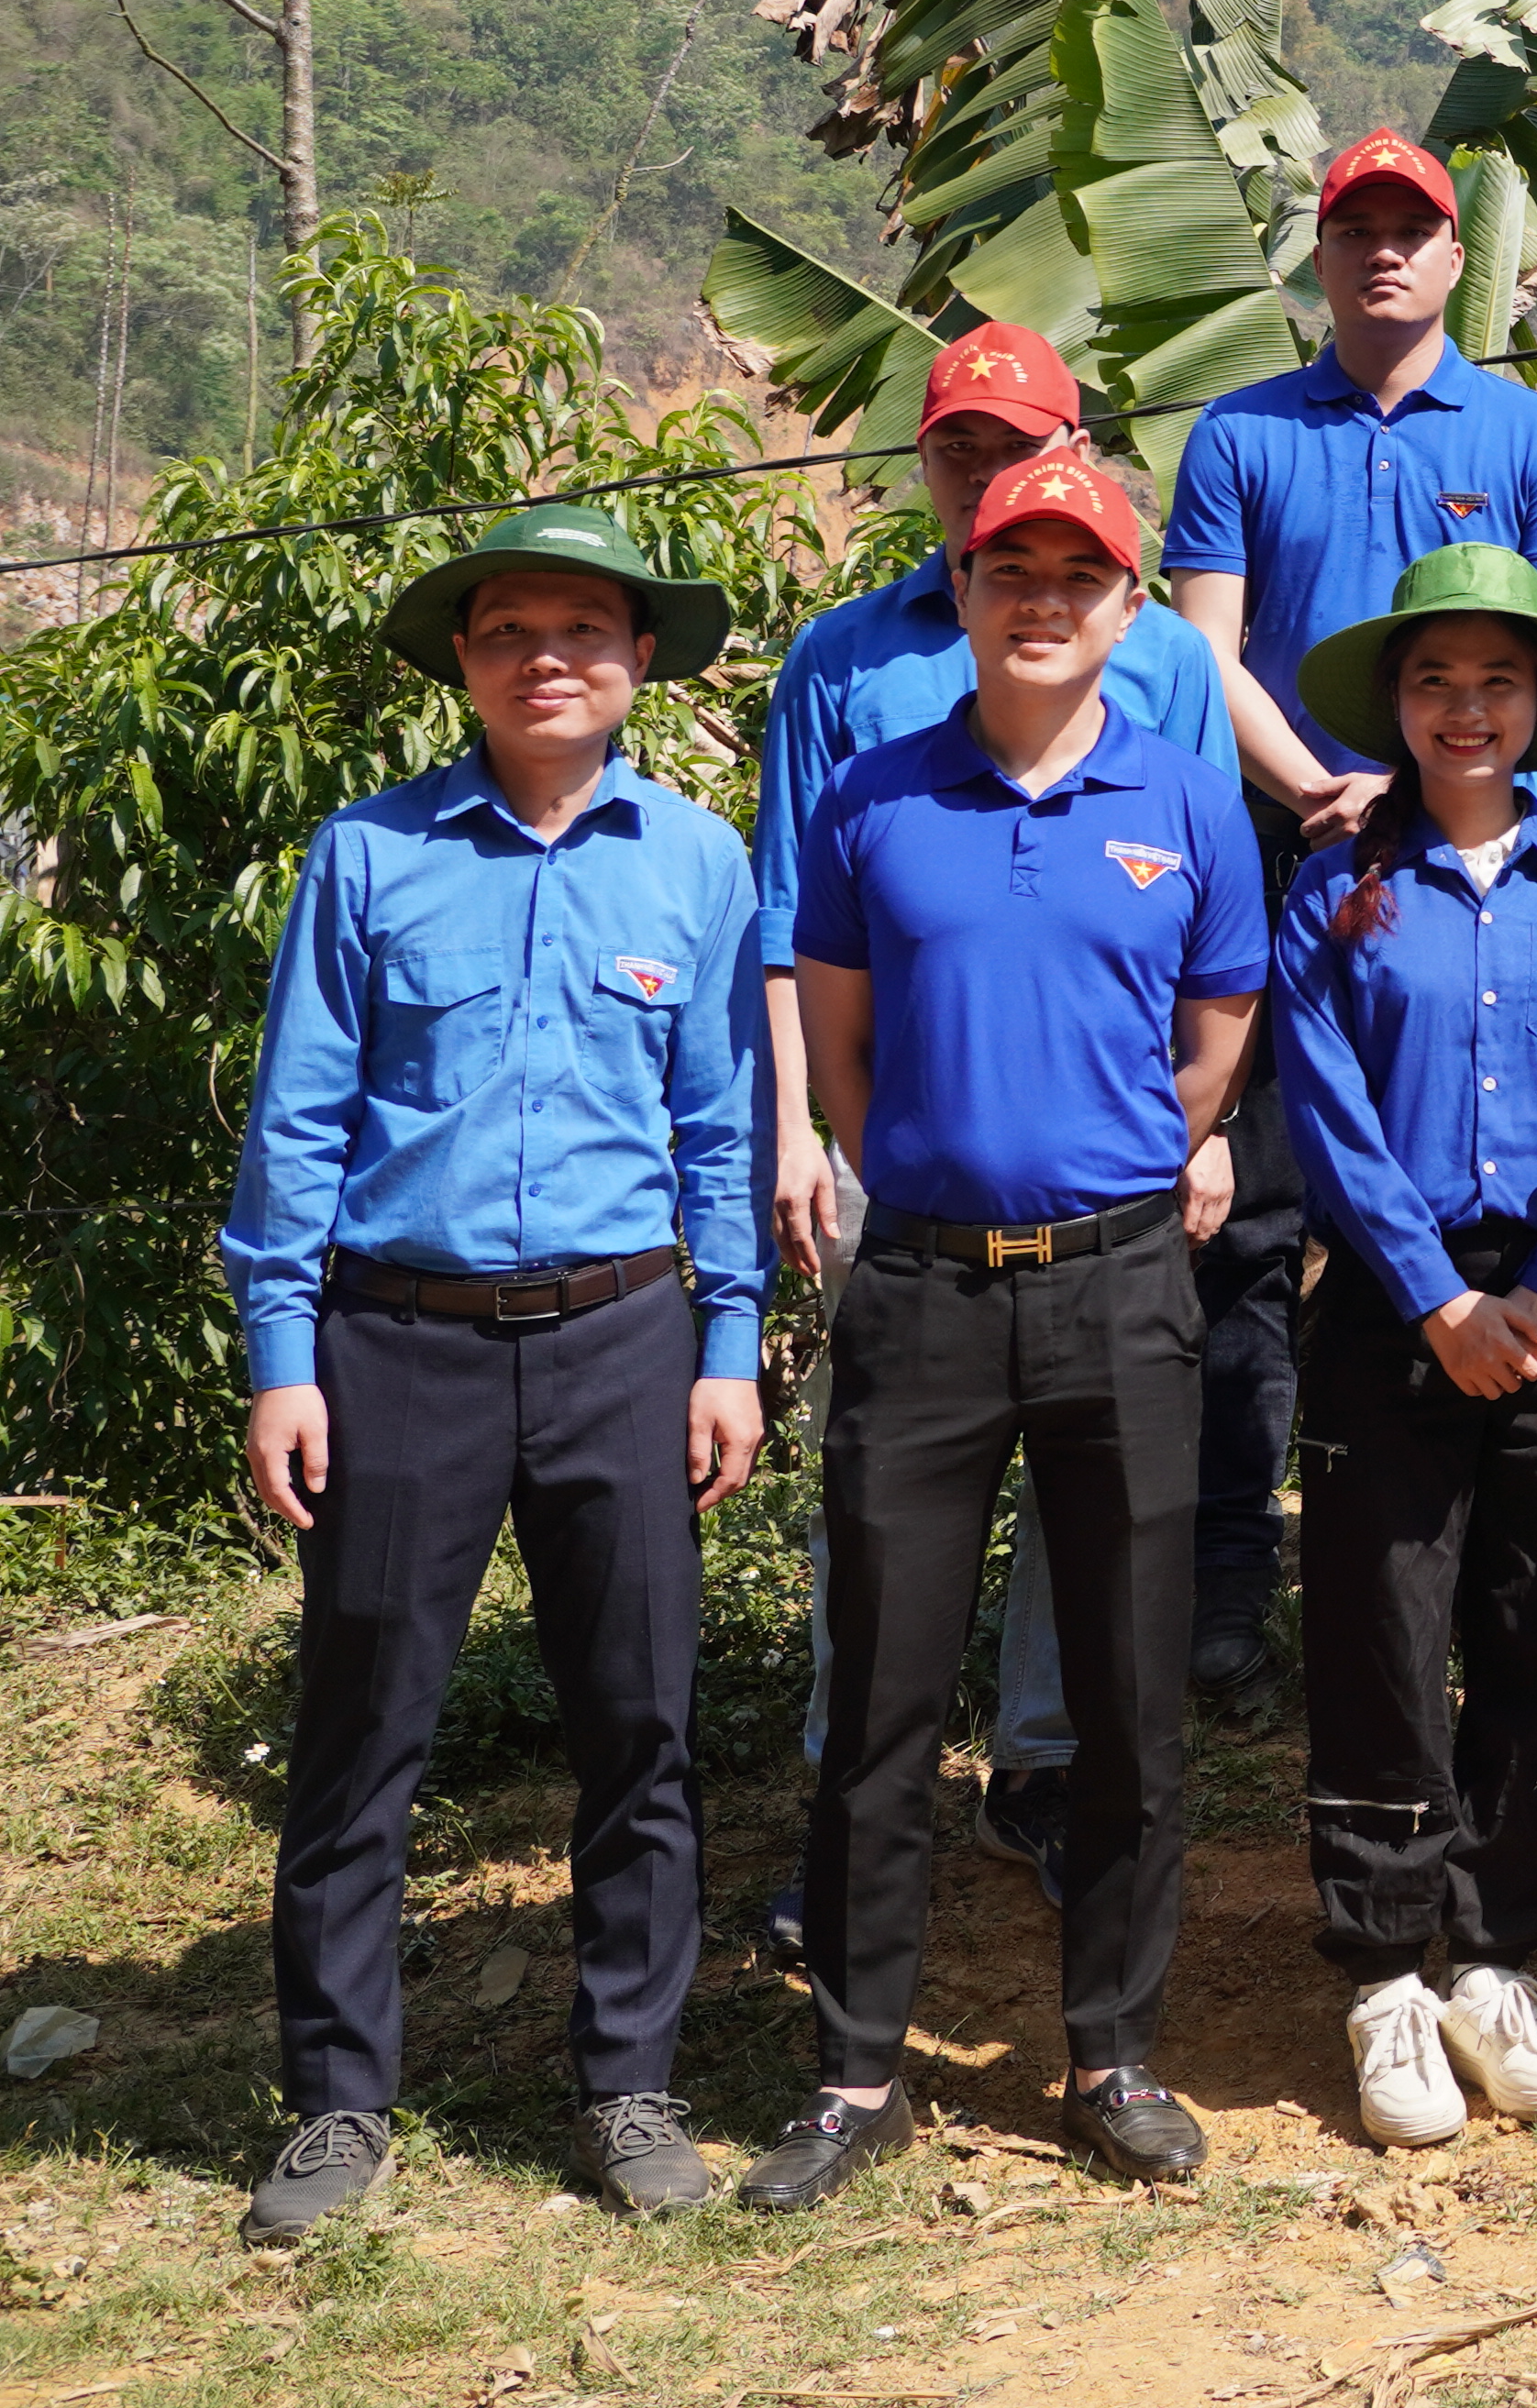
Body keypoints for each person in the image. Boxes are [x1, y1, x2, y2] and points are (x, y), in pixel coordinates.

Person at [223, 507, 766, 2242]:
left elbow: (720, 1129)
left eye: (587, 629)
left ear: (639, 666)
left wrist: (732, 1345)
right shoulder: (369, 858)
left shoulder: (695, 862)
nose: (549, 656)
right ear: (463, 661)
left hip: (625, 1342)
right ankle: (336, 2102)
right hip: (399, 1345)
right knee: (363, 1731)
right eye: (509, 628)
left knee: (641, 1726)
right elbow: (298, 1123)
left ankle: (629, 2081)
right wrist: (282, 1357)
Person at [758, 452, 1266, 2207]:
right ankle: (853, 2067)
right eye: (1008, 569)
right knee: (887, 1690)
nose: (1041, 597)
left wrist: (1133, 1165)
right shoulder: (876, 798)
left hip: (1121, 1284)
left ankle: (1111, 2048)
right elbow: (840, 1047)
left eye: (1078, 574)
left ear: (1129, 608)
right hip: (922, 1286)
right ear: (962, 591)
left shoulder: (1189, 797)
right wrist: (919, 1164)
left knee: (1128, 1693)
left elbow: (1216, 1032)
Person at [1164, 129, 1537, 1690]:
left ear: (1451, 249)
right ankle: (1236, 1568)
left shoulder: (1534, 431)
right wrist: (1324, 799)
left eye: (1411, 226)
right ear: (1320, 252)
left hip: (1488, 862)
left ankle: (1485, 1562)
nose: (1383, 252)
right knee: (1259, 1223)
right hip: (1298, 859)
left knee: (1497, 1186)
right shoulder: (1240, 433)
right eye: (1353, 226)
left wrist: (1434, 795)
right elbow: (1204, 652)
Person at [1272, 545, 1537, 2147]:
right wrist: (1437, 1297)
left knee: (1535, 1621)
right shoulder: (1339, 887)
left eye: (1499, 680)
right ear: (1401, 707)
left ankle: (1495, 1954)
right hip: (1387, 1293)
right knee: (1378, 1616)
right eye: (1436, 682)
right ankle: (1380, 1968)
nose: (1468, 708)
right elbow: (1323, 1102)